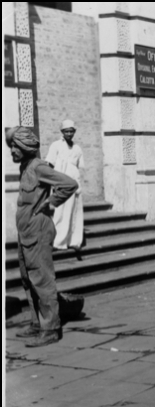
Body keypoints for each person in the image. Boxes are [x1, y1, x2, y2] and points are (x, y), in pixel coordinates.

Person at [6, 126, 79, 347]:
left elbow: (69, 184)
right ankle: (37, 323)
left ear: (25, 147)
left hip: (37, 231)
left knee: (42, 280)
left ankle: (51, 329)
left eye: (15, 148)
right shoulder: (25, 167)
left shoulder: (39, 167)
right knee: (28, 280)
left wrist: (51, 203)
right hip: (26, 232)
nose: (12, 152)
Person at [45, 120, 85, 255]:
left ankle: (74, 241)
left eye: (71, 131)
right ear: (62, 132)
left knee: (75, 211)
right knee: (61, 211)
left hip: (74, 181)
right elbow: (50, 164)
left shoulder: (77, 148)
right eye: (66, 131)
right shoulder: (56, 146)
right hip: (61, 182)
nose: (69, 134)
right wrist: (51, 183)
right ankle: (57, 241)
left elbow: (79, 166)